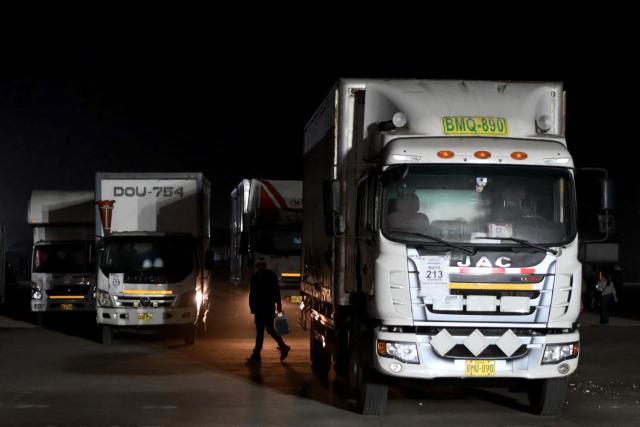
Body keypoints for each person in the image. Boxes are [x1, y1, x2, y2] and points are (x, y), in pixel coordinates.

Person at [246, 258, 290, 363]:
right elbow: (252, 294)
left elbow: (275, 291)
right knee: (267, 330)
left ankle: (257, 355)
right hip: (263, 308)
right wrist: (252, 307)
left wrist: (278, 305)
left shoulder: (258, 277)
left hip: (265, 307)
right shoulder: (266, 276)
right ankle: (282, 347)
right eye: (259, 265)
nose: (260, 267)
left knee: (262, 331)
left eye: (261, 265)